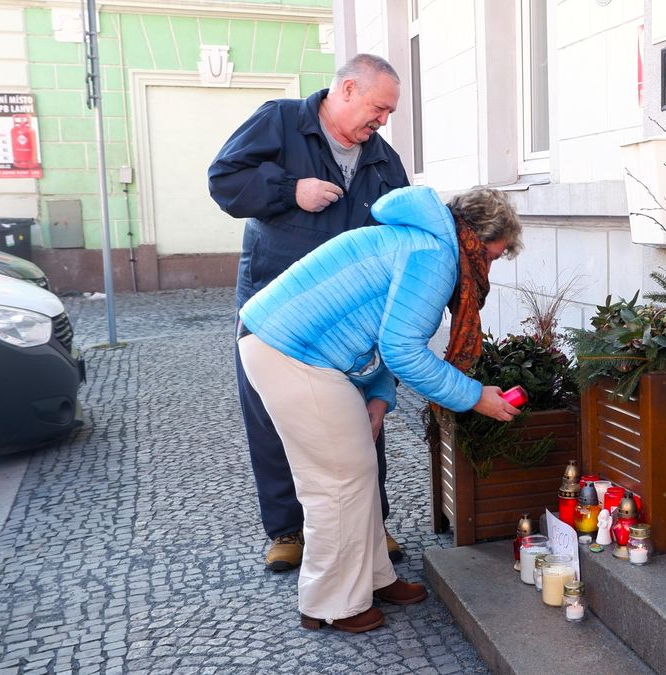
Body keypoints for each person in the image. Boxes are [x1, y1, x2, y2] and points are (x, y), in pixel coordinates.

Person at [236, 185, 523, 632]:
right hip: (292, 352)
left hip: (289, 345)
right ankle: (330, 604)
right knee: (335, 483)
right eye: (494, 255)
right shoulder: (434, 256)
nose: (490, 268)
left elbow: (377, 327)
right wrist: (474, 395)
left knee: (357, 472)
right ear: (478, 236)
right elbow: (403, 350)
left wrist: (378, 397)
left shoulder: (423, 241)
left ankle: (371, 576)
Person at [208, 54, 410, 572]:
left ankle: (371, 524)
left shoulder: (384, 162)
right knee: (272, 415)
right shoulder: (280, 121)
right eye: (378, 109)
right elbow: (224, 180)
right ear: (346, 89)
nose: (382, 121)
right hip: (275, 308)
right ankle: (287, 531)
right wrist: (289, 191)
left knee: (361, 415)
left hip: (348, 319)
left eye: (388, 113)